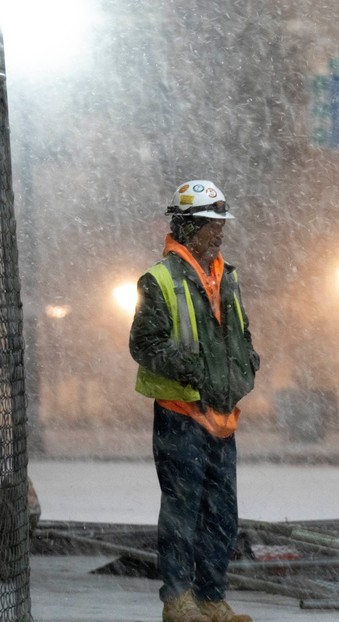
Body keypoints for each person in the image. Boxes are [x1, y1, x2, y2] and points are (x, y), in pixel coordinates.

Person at [129, 180, 259, 622]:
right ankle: (178, 600)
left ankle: (210, 598)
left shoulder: (228, 277)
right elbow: (143, 344)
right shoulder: (161, 279)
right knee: (183, 512)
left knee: (222, 515)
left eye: (221, 223)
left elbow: (238, 333)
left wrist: (247, 363)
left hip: (221, 419)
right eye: (210, 223)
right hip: (181, 416)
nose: (219, 232)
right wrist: (194, 369)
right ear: (187, 227)